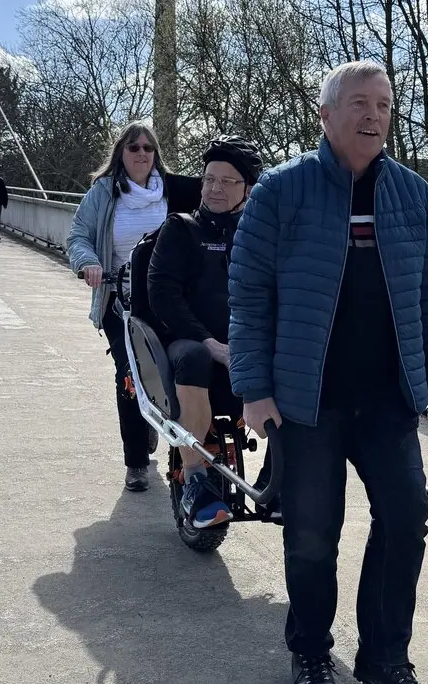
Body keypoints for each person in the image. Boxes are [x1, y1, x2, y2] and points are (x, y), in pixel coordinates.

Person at [227, 60, 428, 684]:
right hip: (308, 402)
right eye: (359, 103)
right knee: (311, 536)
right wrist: (255, 389)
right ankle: (310, 651)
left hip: (387, 399)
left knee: (407, 518)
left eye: (384, 105)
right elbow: (249, 296)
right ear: (327, 114)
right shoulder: (281, 192)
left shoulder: (411, 195)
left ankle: (385, 658)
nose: (374, 116)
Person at [67, 121, 201, 492]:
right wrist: (88, 262)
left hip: (169, 298)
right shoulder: (103, 193)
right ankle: (137, 462)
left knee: (174, 366)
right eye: (133, 148)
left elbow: (221, 197)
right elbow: (77, 236)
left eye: (147, 148)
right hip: (121, 301)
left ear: (156, 154)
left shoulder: (175, 191)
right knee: (130, 375)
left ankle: (158, 422)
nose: (141, 153)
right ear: (120, 154)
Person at [146, 135, 265, 529]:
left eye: (227, 182)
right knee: (195, 358)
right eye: (209, 179)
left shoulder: (259, 235)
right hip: (188, 341)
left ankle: (279, 477)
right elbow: (163, 294)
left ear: (247, 190)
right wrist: (209, 342)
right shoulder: (181, 228)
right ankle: (196, 479)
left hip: (243, 342)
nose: (214, 188)